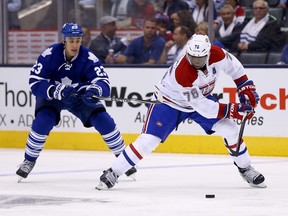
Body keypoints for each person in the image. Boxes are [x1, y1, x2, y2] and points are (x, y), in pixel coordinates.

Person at [96, 34, 267, 190]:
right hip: (170, 104)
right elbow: (204, 108)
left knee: (231, 130)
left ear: (208, 53)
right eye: (192, 57)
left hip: (201, 99)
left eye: (200, 58)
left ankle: (245, 168)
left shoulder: (218, 53)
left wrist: (245, 88)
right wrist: (234, 110)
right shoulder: (183, 72)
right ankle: (113, 172)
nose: (196, 62)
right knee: (148, 141)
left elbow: (235, 68)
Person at [16, 23, 136, 181]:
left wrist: (94, 90)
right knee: (43, 120)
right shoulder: (49, 54)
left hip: (79, 97)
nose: (75, 44)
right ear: (64, 40)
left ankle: (123, 161)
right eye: (71, 40)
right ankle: (29, 160)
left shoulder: (88, 57)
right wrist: (56, 90)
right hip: (54, 97)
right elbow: (35, 82)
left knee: (103, 119)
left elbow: (103, 82)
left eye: (78, 41)